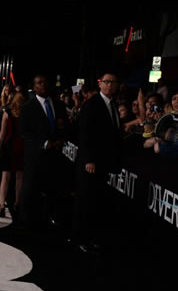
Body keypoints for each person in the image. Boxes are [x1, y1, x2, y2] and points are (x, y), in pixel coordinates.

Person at [72, 71, 123, 254]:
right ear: (100, 84)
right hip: (90, 164)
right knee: (85, 201)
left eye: (113, 82)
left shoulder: (112, 105)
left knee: (96, 201)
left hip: (103, 163)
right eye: (106, 82)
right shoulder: (92, 104)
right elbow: (85, 133)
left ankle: (91, 237)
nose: (109, 85)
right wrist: (89, 159)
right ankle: (80, 238)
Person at [18, 74, 67, 228]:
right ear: (34, 87)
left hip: (54, 156)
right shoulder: (28, 107)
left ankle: (49, 217)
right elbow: (24, 132)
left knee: (52, 188)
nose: (43, 85)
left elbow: (64, 126)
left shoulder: (59, 105)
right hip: (35, 156)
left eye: (45, 82)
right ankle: (25, 220)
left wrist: (61, 139)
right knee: (30, 188)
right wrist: (43, 143)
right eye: (39, 83)